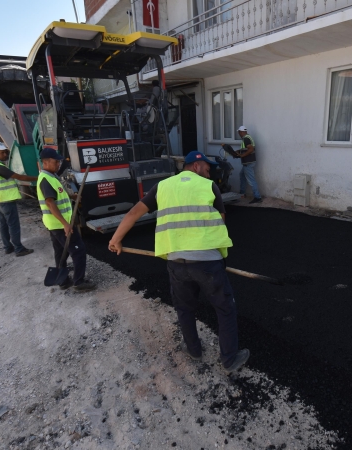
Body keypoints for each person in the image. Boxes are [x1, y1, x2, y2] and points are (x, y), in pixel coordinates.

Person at [108, 151, 250, 373]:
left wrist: (116, 239)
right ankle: (229, 359)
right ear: (195, 166)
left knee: (184, 308)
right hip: (207, 262)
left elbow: (134, 213)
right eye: (207, 168)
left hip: (176, 263)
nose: (209, 173)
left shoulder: (162, 186)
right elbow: (221, 222)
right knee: (225, 308)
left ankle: (194, 350)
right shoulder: (209, 186)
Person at [37, 148, 97, 292]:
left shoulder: (51, 177)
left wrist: (72, 196)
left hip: (55, 224)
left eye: (59, 162)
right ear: (46, 162)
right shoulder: (45, 179)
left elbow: (58, 196)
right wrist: (65, 224)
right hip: (60, 224)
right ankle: (79, 282)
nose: (58, 164)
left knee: (60, 252)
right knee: (78, 251)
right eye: (56, 162)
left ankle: (63, 281)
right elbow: (50, 203)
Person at [0, 142, 36, 257]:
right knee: (13, 225)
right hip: (6, 199)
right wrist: (39, 177)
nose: (5, 154)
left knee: (4, 224)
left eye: (5, 152)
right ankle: (19, 249)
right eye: (2, 152)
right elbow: (19, 177)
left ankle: (8, 247)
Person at [236, 125, 262, 204]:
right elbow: (246, 149)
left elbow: (250, 149)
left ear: (241, 132)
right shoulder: (248, 137)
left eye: (239, 132)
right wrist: (238, 152)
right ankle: (242, 193)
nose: (239, 134)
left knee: (251, 180)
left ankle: (257, 197)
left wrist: (242, 155)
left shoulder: (246, 139)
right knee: (242, 175)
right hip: (249, 162)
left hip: (248, 163)